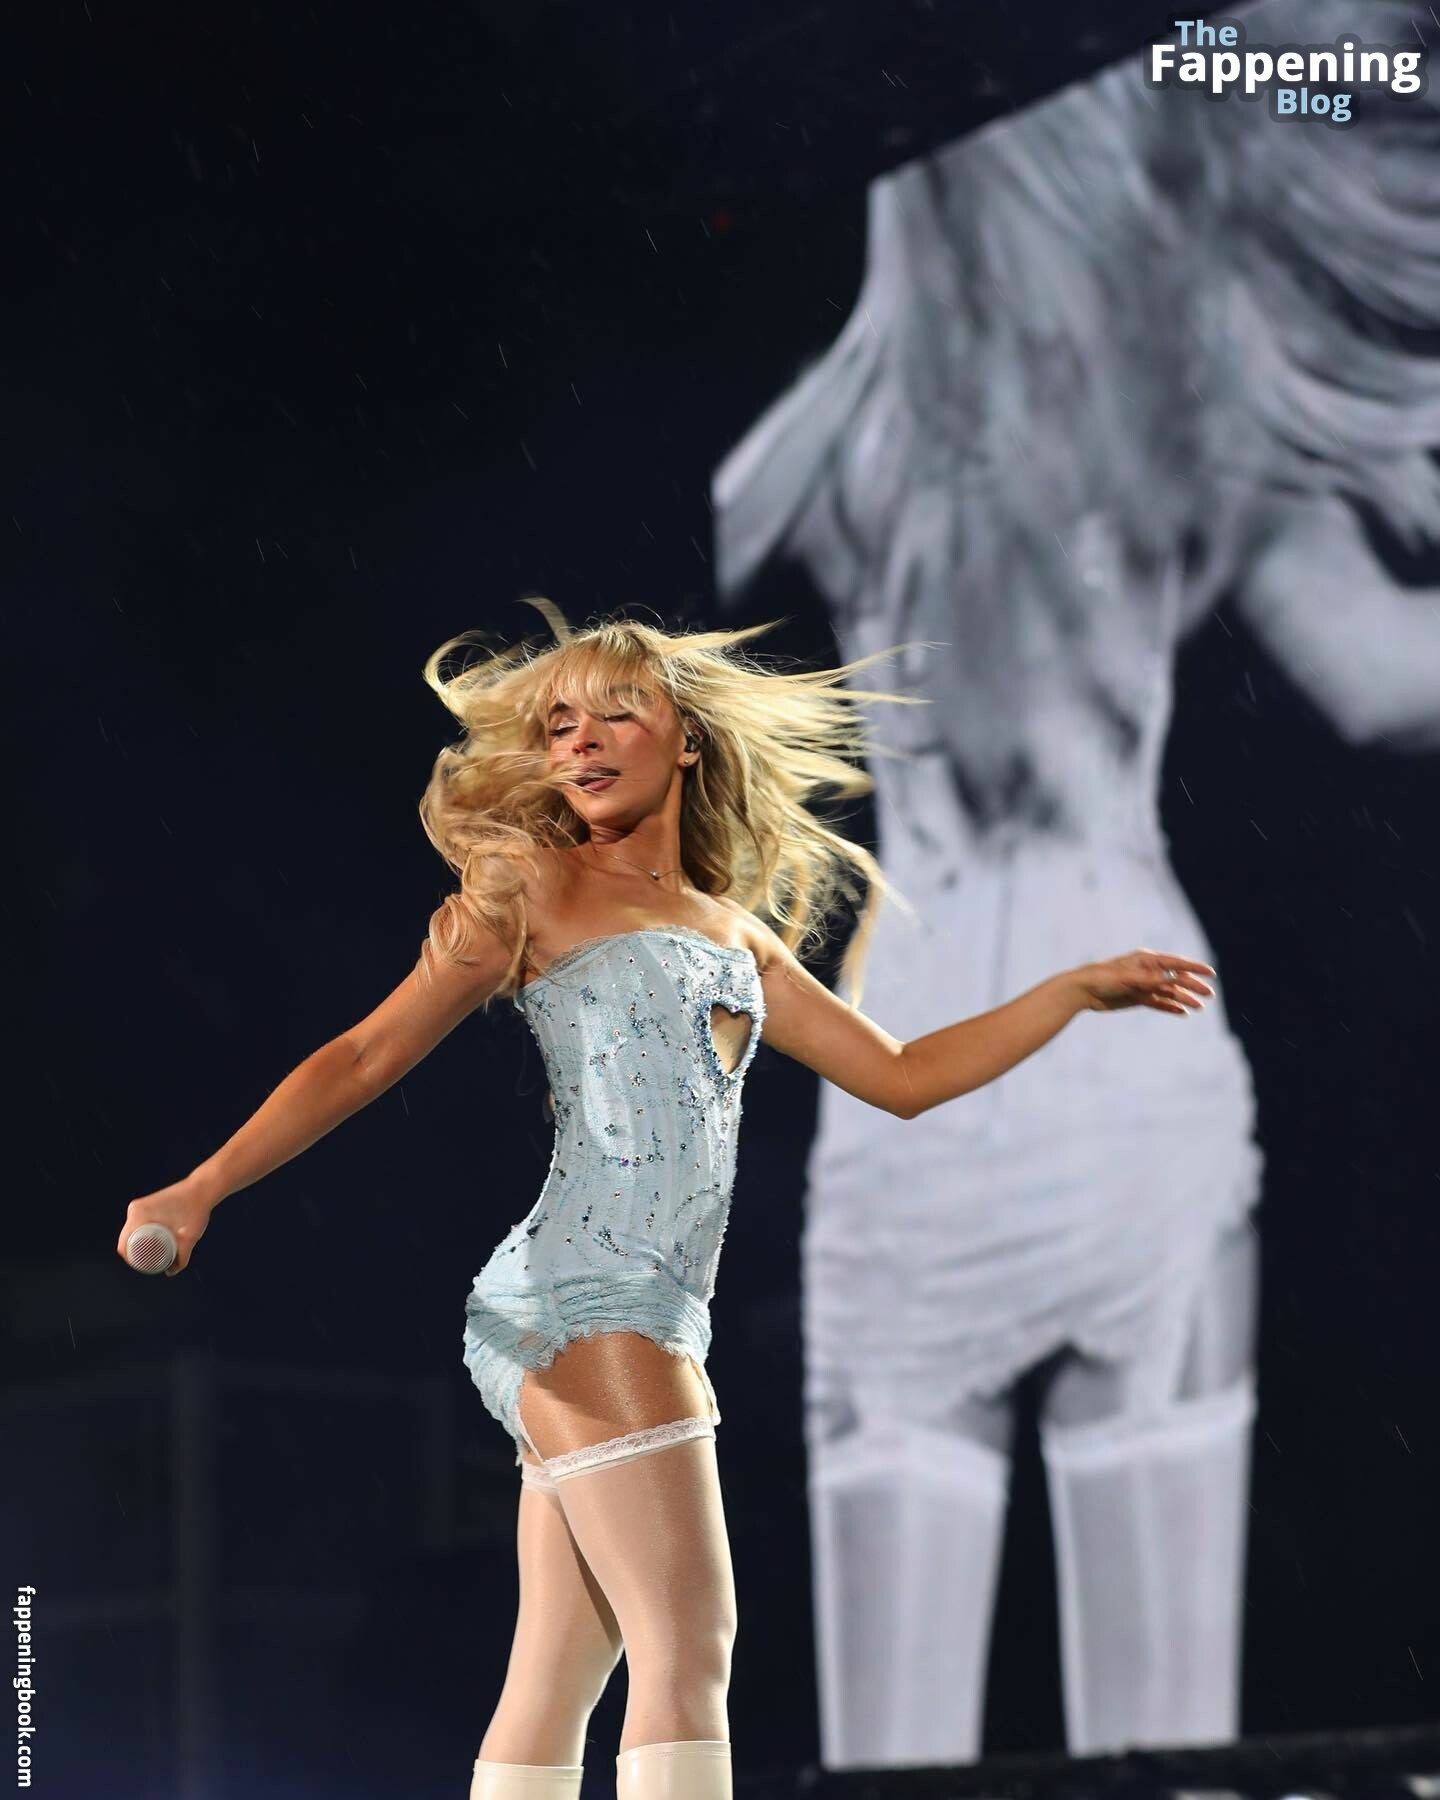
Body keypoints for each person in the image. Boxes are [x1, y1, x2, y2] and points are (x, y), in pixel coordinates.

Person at [116, 607, 1216, 1800]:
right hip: (592, 1300)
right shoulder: (534, 887)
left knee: (555, 1678)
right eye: (558, 725)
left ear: (686, 739)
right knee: (691, 1650)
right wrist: (203, 1184)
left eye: (614, 715)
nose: (580, 743)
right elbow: (366, 1054)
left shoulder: (735, 936)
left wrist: (1068, 993)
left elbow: (903, 1077)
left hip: (632, 1310)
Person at [708, 0, 1440, 1764]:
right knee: (1171, 1758)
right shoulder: (1177, 432)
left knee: (889, 1769)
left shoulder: (818, 455)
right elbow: (1382, 675)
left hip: (910, 1087)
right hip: (1124, 1054)